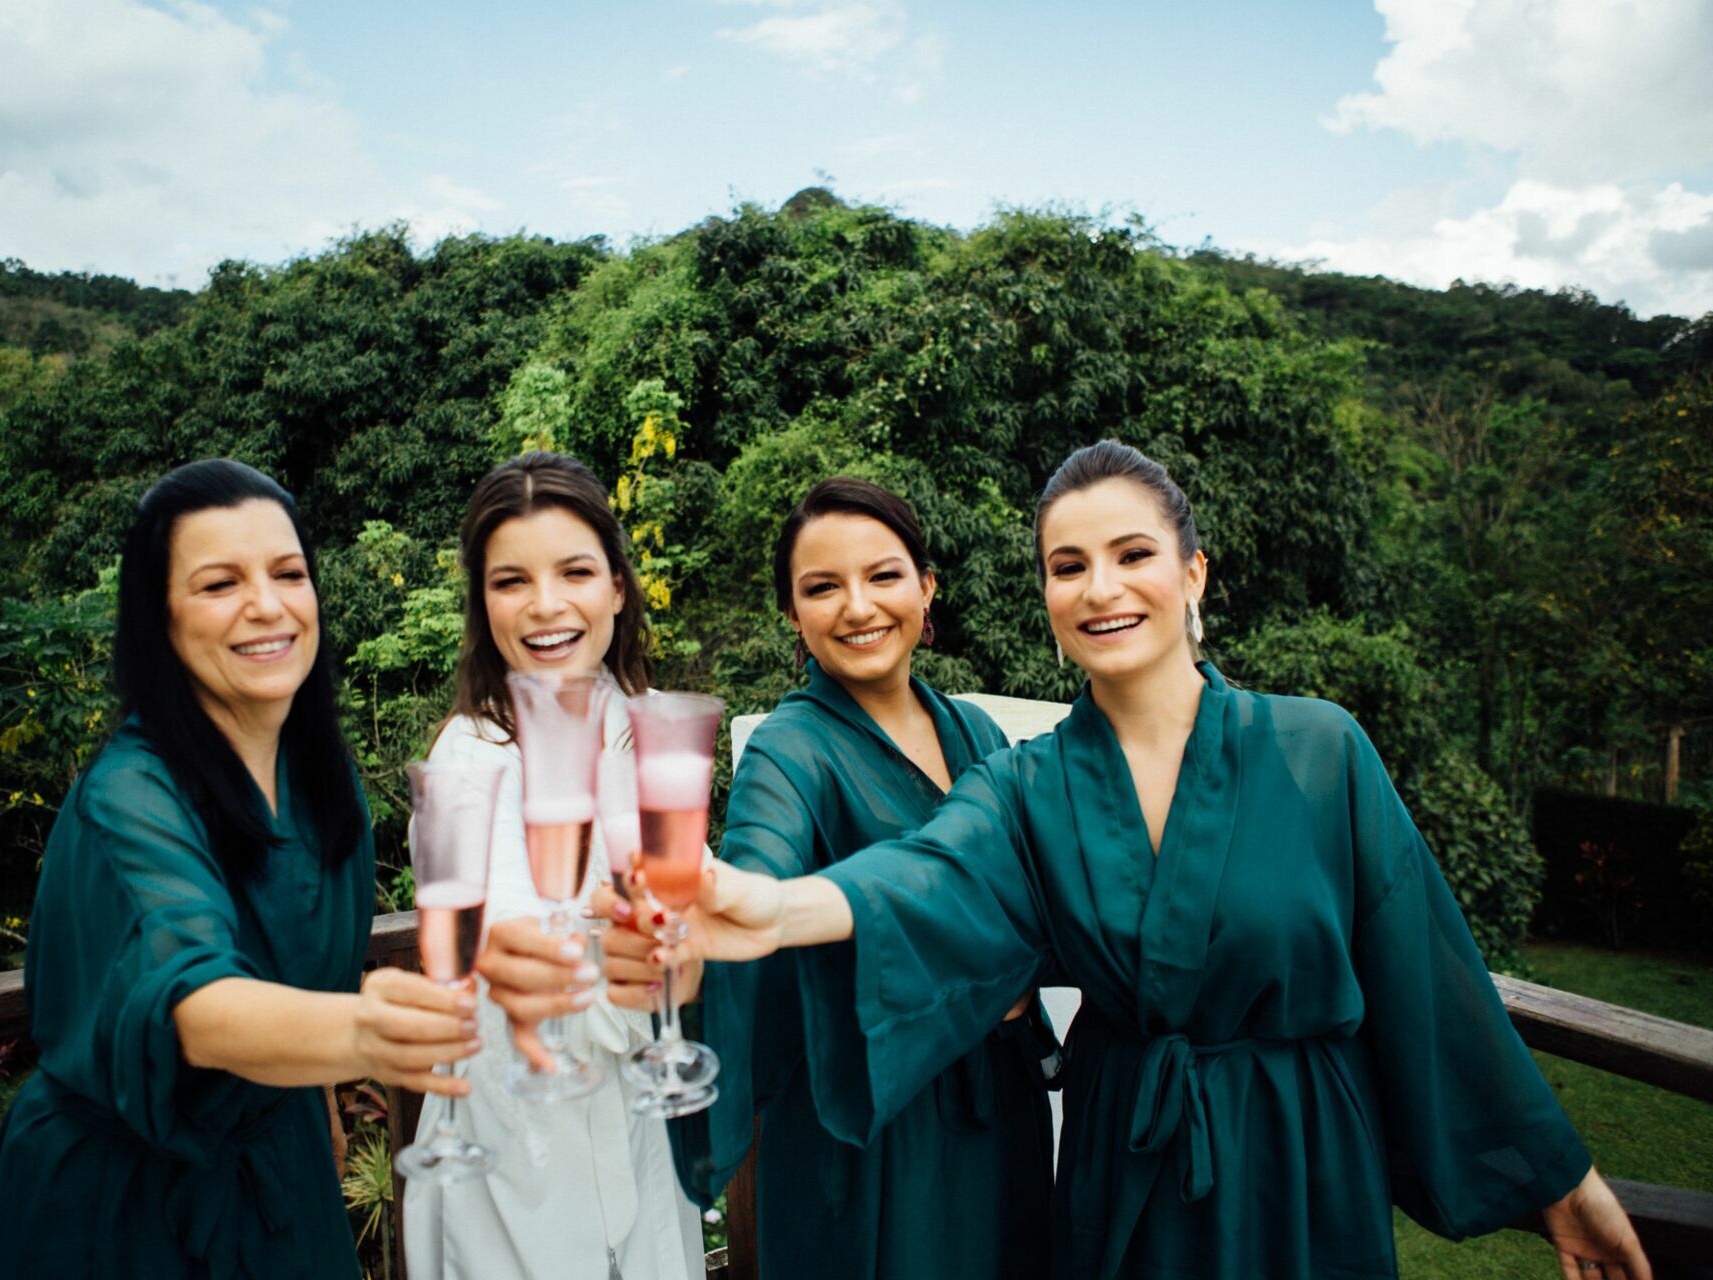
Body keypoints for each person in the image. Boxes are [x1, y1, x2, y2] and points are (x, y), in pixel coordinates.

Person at [522, 441, 1654, 1280]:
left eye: (1131, 555)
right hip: (1128, 1164)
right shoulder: (1027, 779)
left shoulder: (1320, 749)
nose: (1102, 587)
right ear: (1048, 596)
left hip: (1297, 1164)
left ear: (1195, 571)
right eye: (1070, 565)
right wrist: (758, 905)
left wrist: (1560, 1177)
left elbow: (1431, 978)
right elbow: (927, 875)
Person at [0, 460, 479, 1280]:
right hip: (125, 1215)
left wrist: (313, 1089)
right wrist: (362, 1032)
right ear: (160, 620)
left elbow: (297, 963)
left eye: (289, 573)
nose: (268, 605)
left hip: (281, 1172)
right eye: (219, 584)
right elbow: (195, 1001)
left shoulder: (324, 784)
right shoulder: (131, 795)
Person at [596, 477, 1056, 1279]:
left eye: (882, 576)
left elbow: (1034, 899)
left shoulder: (974, 730)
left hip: (996, 1113)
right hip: (871, 1129)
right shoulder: (789, 747)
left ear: (926, 587)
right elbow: (759, 868)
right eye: (822, 588)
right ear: (794, 617)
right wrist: (711, 934)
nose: (858, 607)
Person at [406, 451, 703, 1280]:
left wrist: (681, 952)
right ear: (482, 602)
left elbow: (683, 968)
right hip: (511, 1154)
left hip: (639, 1145)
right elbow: (492, 954)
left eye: (575, 571)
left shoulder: (652, 735)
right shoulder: (465, 757)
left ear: (616, 585)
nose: (546, 606)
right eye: (510, 581)